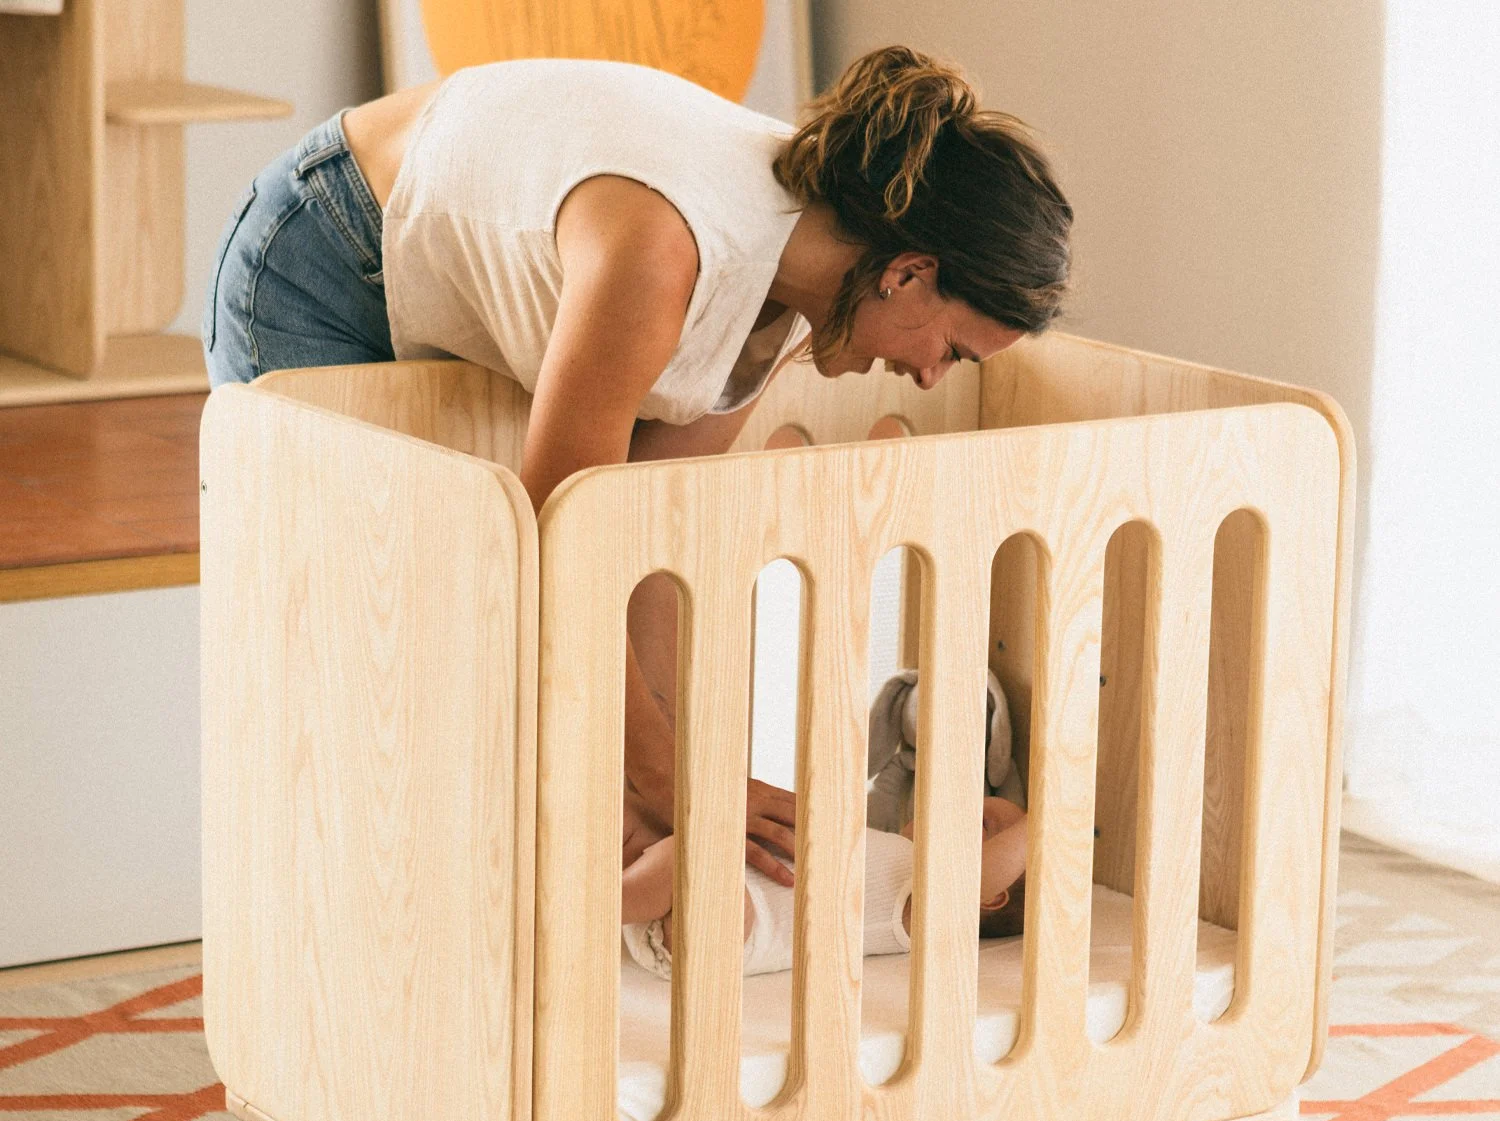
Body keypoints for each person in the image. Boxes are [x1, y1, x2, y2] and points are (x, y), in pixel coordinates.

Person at [202, 43, 1073, 889]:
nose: (929, 376)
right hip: (324, 249)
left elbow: (642, 553)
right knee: (377, 666)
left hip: (430, 256)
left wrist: (682, 789)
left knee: (479, 675)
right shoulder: (664, 254)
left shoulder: (797, 293)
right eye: (953, 349)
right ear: (908, 273)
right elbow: (564, 544)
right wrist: (673, 787)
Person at [621, 794, 1027, 980]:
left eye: (982, 823)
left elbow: (969, 881)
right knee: (635, 808)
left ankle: (581, 910)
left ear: (990, 896)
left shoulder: (920, 904)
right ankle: (583, 881)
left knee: (694, 857)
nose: (961, 807)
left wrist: (1046, 817)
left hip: (728, 931)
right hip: (672, 889)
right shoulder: (886, 842)